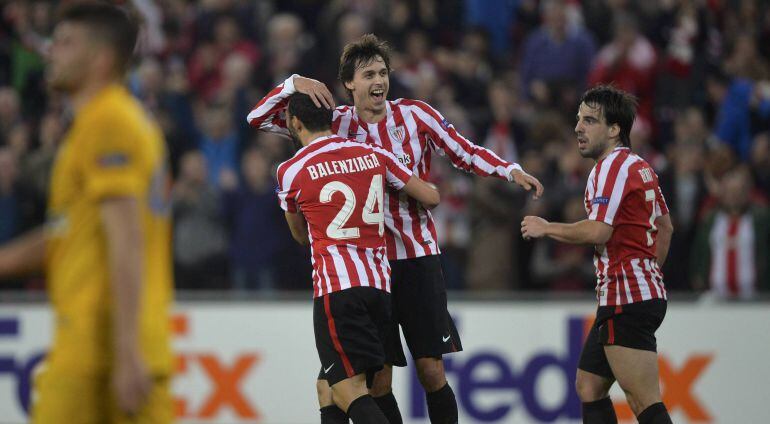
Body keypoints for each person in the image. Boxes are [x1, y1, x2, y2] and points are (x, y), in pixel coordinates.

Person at [248, 34, 543, 424]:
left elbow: (463, 150)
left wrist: (508, 170)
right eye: (368, 74)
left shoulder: (416, 114)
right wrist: (292, 84)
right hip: (373, 266)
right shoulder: (334, 123)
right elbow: (260, 119)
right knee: (379, 380)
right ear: (348, 84)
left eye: (383, 73)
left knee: (431, 370)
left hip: (418, 256)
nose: (379, 82)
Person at [0, 3, 173, 422]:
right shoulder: (98, 124)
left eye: (65, 42)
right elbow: (70, 232)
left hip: (102, 353)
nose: (51, 51)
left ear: (101, 58)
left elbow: (126, 236)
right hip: (96, 348)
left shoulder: (108, 122)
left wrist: (127, 352)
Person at [276, 93, 440, 423]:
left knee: (347, 391)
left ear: (295, 122)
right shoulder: (373, 154)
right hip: (380, 289)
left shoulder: (291, 170)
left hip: (338, 291)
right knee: (327, 386)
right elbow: (431, 196)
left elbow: (299, 234)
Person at [521, 85, 675, 424]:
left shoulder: (612, 168)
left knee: (644, 401)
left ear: (614, 129)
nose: (578, 127)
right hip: (631, 294)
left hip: (627, 298)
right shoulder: (639, 166)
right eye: (578, 119)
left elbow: (598, 231)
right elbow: (665, 227)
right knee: (588, 385)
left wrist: (547, 228)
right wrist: (649, 274)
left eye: (589, 120)